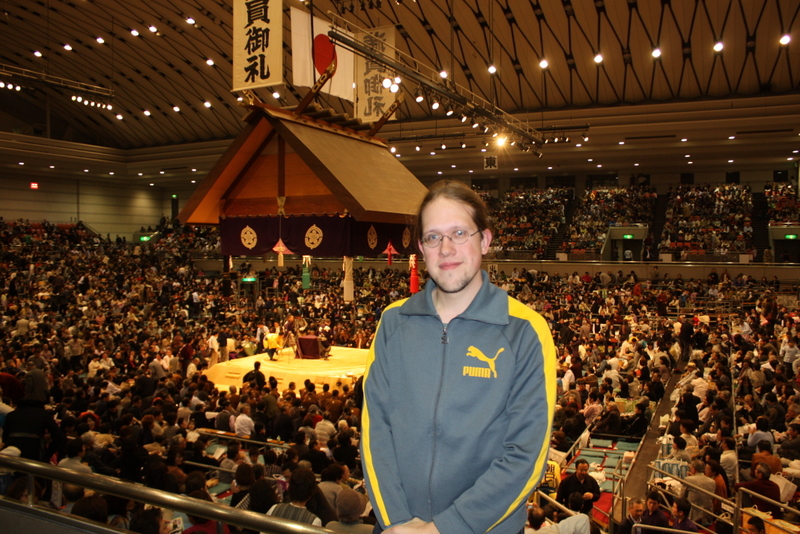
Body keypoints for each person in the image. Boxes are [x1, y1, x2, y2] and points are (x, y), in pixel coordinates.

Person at [361, 180, 557, 534]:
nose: (446, 248)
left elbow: (526, 455)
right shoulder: (393, 322)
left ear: (485, 240)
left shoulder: (526, 331)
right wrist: (396, 521)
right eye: (433, 237)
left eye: (460, 233)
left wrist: (444, 528)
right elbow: (376, 430)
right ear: (421, 248)